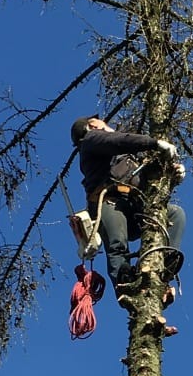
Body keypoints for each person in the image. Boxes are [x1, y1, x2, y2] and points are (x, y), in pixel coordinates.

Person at [69, 116, 186, 316]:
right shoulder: (91, 140)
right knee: (117, 246)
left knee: (175, 213)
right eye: (100, 121)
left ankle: (162, 274)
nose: (105, 122)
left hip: (134, 207)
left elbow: (147, 177)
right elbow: (119, 140)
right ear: (92, 125)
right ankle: (126, 288)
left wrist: (172, 173)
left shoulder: (123, 160)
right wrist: (155, 143)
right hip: (110, 202)